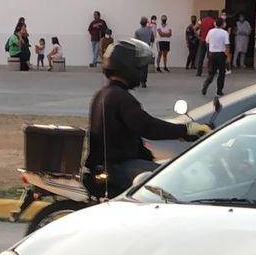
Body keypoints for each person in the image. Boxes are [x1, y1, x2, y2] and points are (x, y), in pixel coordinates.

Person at [84, 39, 210, 196]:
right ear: (127, 67)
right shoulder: (121, 98)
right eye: (139, 67)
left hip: (107, 164)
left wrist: (181, 133)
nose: (141, 71)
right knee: (176, 180)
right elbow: (148, 127)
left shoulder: (103, 94)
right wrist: (186, 129)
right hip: (119, 167)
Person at [201, 17, 229, 97]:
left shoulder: (210, 32)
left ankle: (206, 84)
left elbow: (207, 42)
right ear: (223, 24)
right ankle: (219, 91)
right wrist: (227, 56)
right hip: (221, 54)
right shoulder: (225, 33)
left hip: (212, 54)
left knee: (211, 73)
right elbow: (227, 45)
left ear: (215, 23)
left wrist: (208, 53)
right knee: (221, 73)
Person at [133, 17, 156, 86]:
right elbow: (152, 39)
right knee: (145, 66)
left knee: (139, 66)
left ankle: (139, 80)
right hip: (147, 49)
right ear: (146, 23)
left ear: (140, 23)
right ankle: (143, 82)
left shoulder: (137, 31)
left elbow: (136, 42)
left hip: (140, 49)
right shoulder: (150, 31)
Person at [195, 11, 216, 76]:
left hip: (202, 40)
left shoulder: (202, 20)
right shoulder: (213, 21)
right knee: (210, 57)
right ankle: (210, 71)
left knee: (201, 56)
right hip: (210, 41)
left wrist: (198, 36)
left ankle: (199, 72)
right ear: (212, 15)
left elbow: (195, 28)